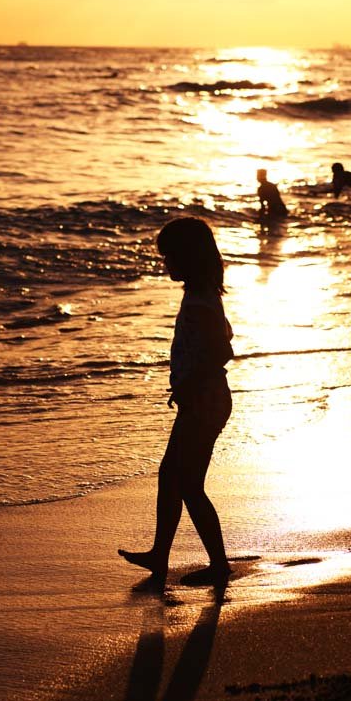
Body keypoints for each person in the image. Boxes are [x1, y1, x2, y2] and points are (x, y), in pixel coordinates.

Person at [118, 217, 234, 586]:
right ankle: (159, 556)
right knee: (170, 477)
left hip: (205, 400)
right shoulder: (200, 292)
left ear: (188, 256)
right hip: (202, 398)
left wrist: (190, 384)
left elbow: (221, 350)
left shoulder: (200, 299)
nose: (165, 263)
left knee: (188, 484)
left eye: (169, 256)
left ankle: (219, 564)